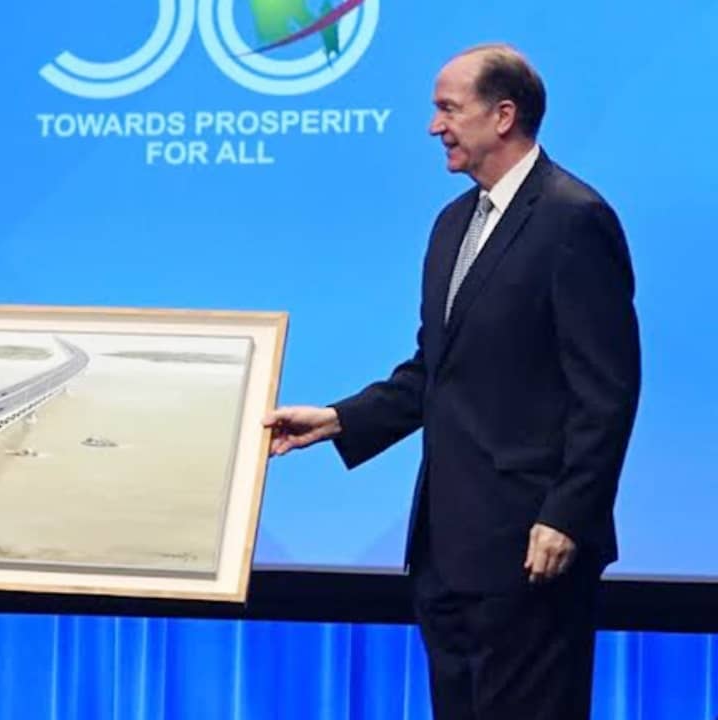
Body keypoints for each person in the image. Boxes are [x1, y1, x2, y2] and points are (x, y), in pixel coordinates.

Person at [264, 45, 640, 719]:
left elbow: (607, 393)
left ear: (503, 115)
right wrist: (338, 420)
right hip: (448, 552)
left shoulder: (574, 218)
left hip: (531, 551)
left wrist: (566, 515)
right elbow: (435, 371)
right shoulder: (451, 225)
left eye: (447, 109)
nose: (434, 126)